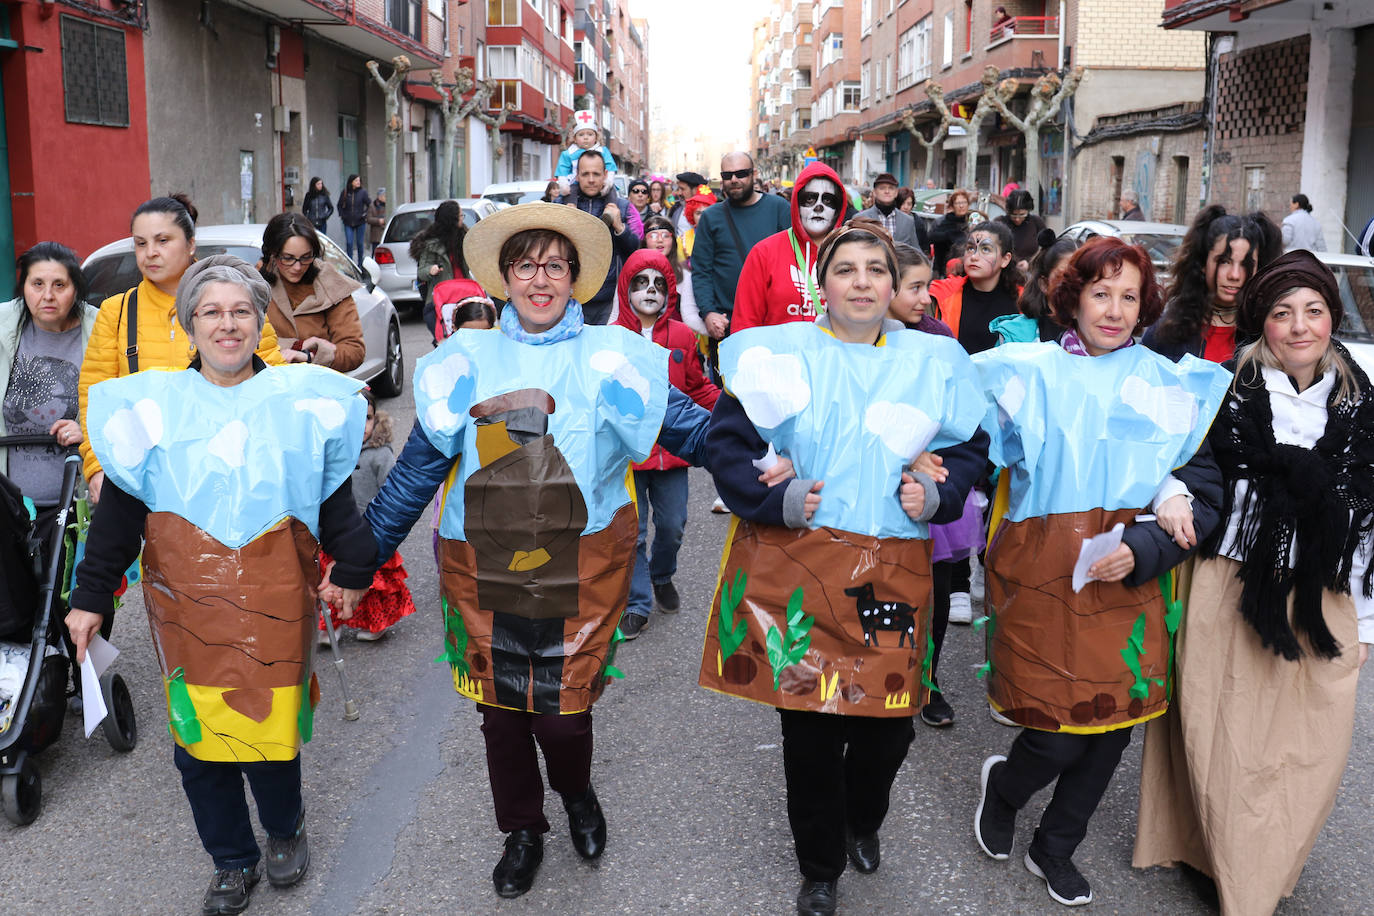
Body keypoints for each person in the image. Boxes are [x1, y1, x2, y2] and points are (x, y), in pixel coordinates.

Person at [359, 203, 716, 900]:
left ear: (577, 277)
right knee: (499, 713)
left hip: (582, 561)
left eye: (555, 264)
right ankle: (522, 828)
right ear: (505, 278)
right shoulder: (467, 359)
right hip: (481, 563)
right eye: (525, 265)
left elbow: (697, 431)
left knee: (562, 713)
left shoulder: (614, 357)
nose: (540, 279)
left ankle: (576, 791)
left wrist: (772, 464)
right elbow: (416, 474)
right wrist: (357, 559)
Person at [65, 254, 374, 916]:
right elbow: (120, 514)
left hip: (275, 599)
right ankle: (232, 859)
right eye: (212, 312)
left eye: (240, 311)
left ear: (259, 319)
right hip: (187, 607)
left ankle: (284, 828)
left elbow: (333, 500)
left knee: (266, 731)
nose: (227, 325)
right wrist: (90, 597)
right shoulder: (154, 411)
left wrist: (353, 567)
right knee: (198, 745)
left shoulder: (299, 403)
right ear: (190, 324)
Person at [700, 222, 989, 916]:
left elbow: (974, 450)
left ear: (894, 286)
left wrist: (940, 494)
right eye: (846, 269)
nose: (861, 282)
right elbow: (727, 446)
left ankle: (865, 814)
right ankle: (820, 864)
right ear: (819, 285)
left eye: (875, 270)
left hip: (892, 566)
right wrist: (783, 495)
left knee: (888, 726)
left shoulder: (933, 363)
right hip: (798, 564)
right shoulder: (777, 356)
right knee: (809, 731)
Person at [972, 237, 1228, 908]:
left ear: (1146, 305)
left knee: (1112, 728)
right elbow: (962, 445)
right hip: (1045, 574)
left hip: (1131, 581)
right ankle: (1004, 789)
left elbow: (1201, 483)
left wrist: (1160, 517)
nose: (1114, 310)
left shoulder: (1170, 383)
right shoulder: (1023, 373)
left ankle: (1055, 847)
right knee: (1055, 733)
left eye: (1129, 296)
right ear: (1072, 298)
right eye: (1100, 292)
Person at [1133, 250, 1374, 915]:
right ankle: (1243, 884)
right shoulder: (1221, 391)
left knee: (1308, 750)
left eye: (1314, 311)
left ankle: (1260, 862)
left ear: (1332, 318)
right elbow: (1174, 462)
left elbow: (1373, 522)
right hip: (1229, 581)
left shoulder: (1364, 410)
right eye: (1281, 313)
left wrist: (1370, 629)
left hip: (1323, 598)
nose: (1299, 327)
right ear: (1261, 323)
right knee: (1227, 745)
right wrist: (1170, 496)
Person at [77, 194, 284, 504]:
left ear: (190, 244)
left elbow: (274, 382)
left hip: (230, 471)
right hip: (145, 479)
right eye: (141, 243)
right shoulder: (117, 312)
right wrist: (96, 468)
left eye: (163, 240)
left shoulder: (237, 303)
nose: (151, 253)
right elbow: (94, 396)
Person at [612, 249, 720, 638]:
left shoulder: (682, 336)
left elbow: (698, 387)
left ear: (670, 290)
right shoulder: (612, 339)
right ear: (626, 288)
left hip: (673, 457)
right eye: (641, 283)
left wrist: (732, 411)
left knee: (673, 526)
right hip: (628, 457)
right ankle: (637, 603)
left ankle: (662, 575)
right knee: (634, 531)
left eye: (659, 284)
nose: (650, 291)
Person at [1, 243, 97, 532]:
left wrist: (88, 431)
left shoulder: (101, 329)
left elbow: (123, 404)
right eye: (37, 284)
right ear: (24, 286)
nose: (48, 296)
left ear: (76, 289)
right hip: (8, 502)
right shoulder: (4, 325)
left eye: (59, 285)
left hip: (77, 503)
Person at [320, 388, 415, 643]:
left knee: (374, 585)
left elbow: (393, 489)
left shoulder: (379, 454)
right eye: (356, 417)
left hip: (371, 529)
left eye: (368, 417)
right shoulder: (332, 452)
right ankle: (331, 625)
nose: (362, 425)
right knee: (331, 580)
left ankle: (375, 622)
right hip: (337, 531)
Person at [732, 160, 850, 331]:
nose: (818, 207)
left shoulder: (851, 253)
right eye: (809, 199)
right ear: (796, 203)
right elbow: (745, 324)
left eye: (828, 200)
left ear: (838, 208)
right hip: (778, 356)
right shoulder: (764, 253)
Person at [692, 151, 791, 346]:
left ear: (754, 174)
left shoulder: (779, 208)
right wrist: (709, 312)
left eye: (741, 173)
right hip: (728, 325)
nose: (734, 180)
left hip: (775, 324)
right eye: (727, 176)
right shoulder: (711, 217)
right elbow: (701, 270)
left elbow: (794, 261)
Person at [1142, 205, 1258, 364]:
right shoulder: (1167, 330)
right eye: (1224, 261)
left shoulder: (1265, 333)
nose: (1235, 275)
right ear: (1203, 263)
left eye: (1245, 264)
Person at [259, 212, 365, 372]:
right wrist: (298, 345)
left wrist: (310, 356)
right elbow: (244, 343)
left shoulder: (331, 285)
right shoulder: (255, 285)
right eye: (288, 258)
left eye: (306, 257)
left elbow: (354, 352)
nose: (297, 267)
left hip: (323, 388)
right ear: (272, 253)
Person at [557, 149, 642, 325]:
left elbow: (635, 251)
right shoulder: (560, 205)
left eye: (596, 174)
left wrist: (619, 227)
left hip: (609, 301)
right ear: (576, 175)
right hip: (567, 299)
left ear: (605, 175)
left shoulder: (623, 207)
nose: (591, 179)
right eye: (585, 174)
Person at [410, 200, 471, 334]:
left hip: (464, 296)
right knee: (444, 339)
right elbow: (422, 272)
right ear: (451, 219)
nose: (462, 219)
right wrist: (431, 270)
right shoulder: (431, 244)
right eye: (460, 216)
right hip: (442, 300)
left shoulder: (465, 238)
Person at [1007, 229, 1077, 343]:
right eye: (1064, 276)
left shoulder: (1094, 333)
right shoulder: (1015, 336)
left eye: (1080, 276)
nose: (1074, 283)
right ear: (1044, 284)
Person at [642, 215, 706, 334]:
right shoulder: (633, 271)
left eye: (666, 236)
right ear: (644, 241)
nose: (660, 240)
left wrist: (715, 330)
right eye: (654, 236)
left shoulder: (684, 275)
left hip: (673, 339)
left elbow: (689, 314)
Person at [855, 173, 930, 254]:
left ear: (896, 193)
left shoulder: (908, 221)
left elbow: (916, 251)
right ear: (874, 192)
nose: (887, 191)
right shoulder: (860, 219)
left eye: (891, 188)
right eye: (882, 188)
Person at [554, 109, 618, 197]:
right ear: (575, 139)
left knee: (611, 192)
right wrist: (563, 184)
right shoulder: (568, 154)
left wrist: (609, 181)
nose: (585, 138)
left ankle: (610, 206)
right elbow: (562, 171)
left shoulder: (603, 151)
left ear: (596, 137)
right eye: (581, 135)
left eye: (590, 134)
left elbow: (610, 168)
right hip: (576, 183)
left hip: (600, 184)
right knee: (570, 195)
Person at [996, 189, 1049, 269]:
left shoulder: (1036, 222)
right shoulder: (1000, 222)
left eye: (1022, 215)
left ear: (1028, 211)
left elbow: (1047, 247)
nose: (1017, 219)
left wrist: (1030, 263)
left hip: (1030, 271)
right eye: (1014, 215)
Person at [929, 188, 972, 277]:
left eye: (964, 202)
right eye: (957, 203)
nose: (961, 206)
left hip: (967, 268)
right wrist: (948, 235)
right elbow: (931, 237)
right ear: (952, 206)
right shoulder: (943, 222)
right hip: (946, 270)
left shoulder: (972, 221)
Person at [336, 174, 371, 264]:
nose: (358, 182)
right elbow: (339, 205)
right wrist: (342, 215)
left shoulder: (363, 192)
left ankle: (360, 263)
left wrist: (365, 214)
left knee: (360, 243)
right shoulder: (345, 192)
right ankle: (350, 263)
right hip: (348, 222)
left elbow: (369, 205)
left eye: (359, 180)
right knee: (349, 243)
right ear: (351, 182)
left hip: (360, 222)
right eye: (356, 181)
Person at [670, 171, 710, 238]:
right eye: (678, 189)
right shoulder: (675, 209)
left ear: (695, 190)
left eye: (682, 189)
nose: (679, 193)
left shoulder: (709, 211)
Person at [366, 187, 388, 258]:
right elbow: (368, 219)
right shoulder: (372, 206)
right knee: (375, 252)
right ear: (380, 196)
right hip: (376, 234)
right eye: (385, 196)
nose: (386, 198)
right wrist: (378, 221)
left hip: (386, 233)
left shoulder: (389, 205)